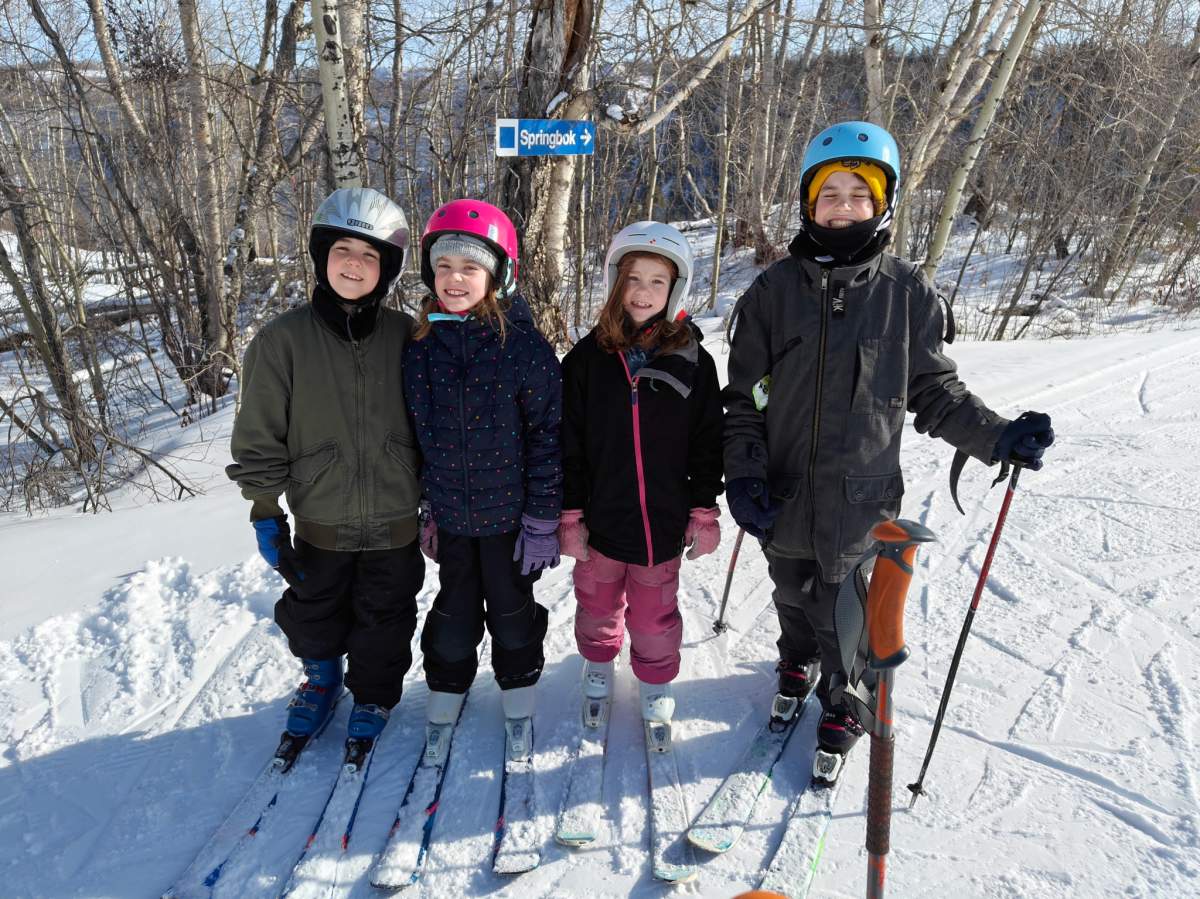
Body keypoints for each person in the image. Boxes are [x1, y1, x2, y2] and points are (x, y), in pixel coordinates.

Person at [722, 121, 1055, 762]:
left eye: (858, 194)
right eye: (829, 193)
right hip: (782, 490)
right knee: (791, 591)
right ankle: (795, 663)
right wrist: (744, 472)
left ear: (883, 204)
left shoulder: (908, 295)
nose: (842, 207)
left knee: (845, 611)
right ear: (807, 202)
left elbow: (935, 394)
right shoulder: (771, 293)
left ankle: (846, 700)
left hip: (861, 499)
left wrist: (998, 437)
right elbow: (745, 400)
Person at [227, 187, 423, 760]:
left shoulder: (406, 335)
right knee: (313, 614)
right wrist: (265, 509)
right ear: (321, 256)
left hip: (395, 519)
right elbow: (260, 433)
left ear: (385, 269)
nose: (354, 265)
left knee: (385, 620)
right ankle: (320, 678)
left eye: (369, 256)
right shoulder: (281, 341)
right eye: (343, 250)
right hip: (320, 519)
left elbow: (435, 421)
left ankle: (374, 697)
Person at [402, 198, 562, 762]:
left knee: (512, 614)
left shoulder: (523, 349)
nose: (454, 279)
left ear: (498, 274)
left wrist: (544, 517)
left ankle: (518, 689)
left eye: (469, 267)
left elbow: (548, 437)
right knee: (453, 612)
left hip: (510, 521)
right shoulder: (420, 349)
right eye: (443, 267)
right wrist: (427, 510)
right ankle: (447, 687)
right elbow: (417, 439)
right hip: (453, 518)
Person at [559, 221, 724, 750]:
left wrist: (704, 510)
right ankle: (599, 667)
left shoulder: (695, 363)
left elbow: (706, 442)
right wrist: (569, 515)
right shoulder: (584, 362)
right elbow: (569, 445)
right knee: (597, 603)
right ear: (615, 283)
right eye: (633, 278)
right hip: (601, 524)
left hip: (661, 528)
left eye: (657, 281)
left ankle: (655, 683)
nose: (643, 292)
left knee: (654, 616)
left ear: (675, 290)